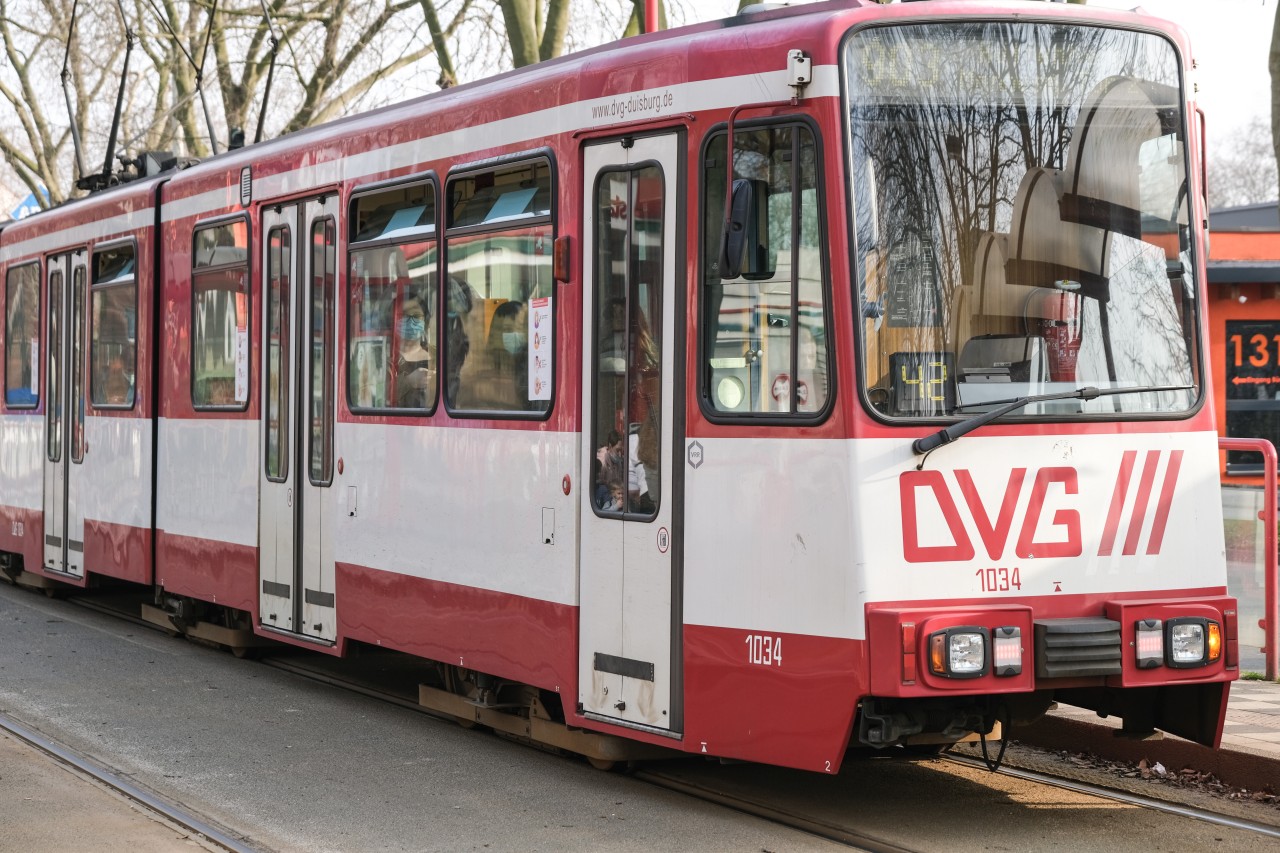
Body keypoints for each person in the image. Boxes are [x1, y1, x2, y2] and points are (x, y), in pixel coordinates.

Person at [394, 293, 433, 408]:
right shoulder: (384, 356)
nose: (410, 321)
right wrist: (408, 382)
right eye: (403, 315)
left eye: (416, 316)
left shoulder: (438, 355)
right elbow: (372, 392)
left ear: (425, 321)